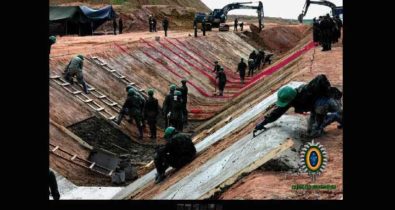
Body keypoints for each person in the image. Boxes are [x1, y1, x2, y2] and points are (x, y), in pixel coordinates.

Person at [253, 74, 339, 138]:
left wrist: (327, 91)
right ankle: (327, 120)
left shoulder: (307, 90)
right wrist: (263, 123)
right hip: (316, 108)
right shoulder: (291, 99)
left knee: (317, 127)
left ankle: (335, 116)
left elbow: (321, 77)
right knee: (311, 132)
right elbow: (276, 113)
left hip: (329, 102)